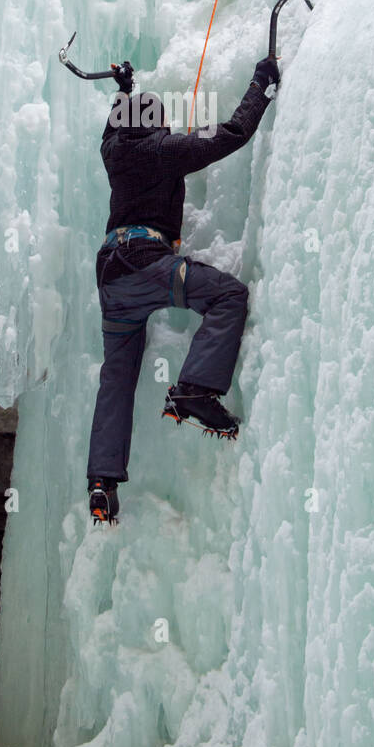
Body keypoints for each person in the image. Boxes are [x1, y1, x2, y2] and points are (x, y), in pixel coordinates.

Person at [87, 54, 280, 524]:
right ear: (155, 124)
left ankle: (102, 482)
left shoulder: (113, 152)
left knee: (117, 376)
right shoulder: (164, 149)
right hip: (145, 264)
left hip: (111, 278)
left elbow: (117, 128)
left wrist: (125, 90)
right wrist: (262, 84)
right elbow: (233, 133)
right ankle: (194, 390)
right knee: (228, 295)